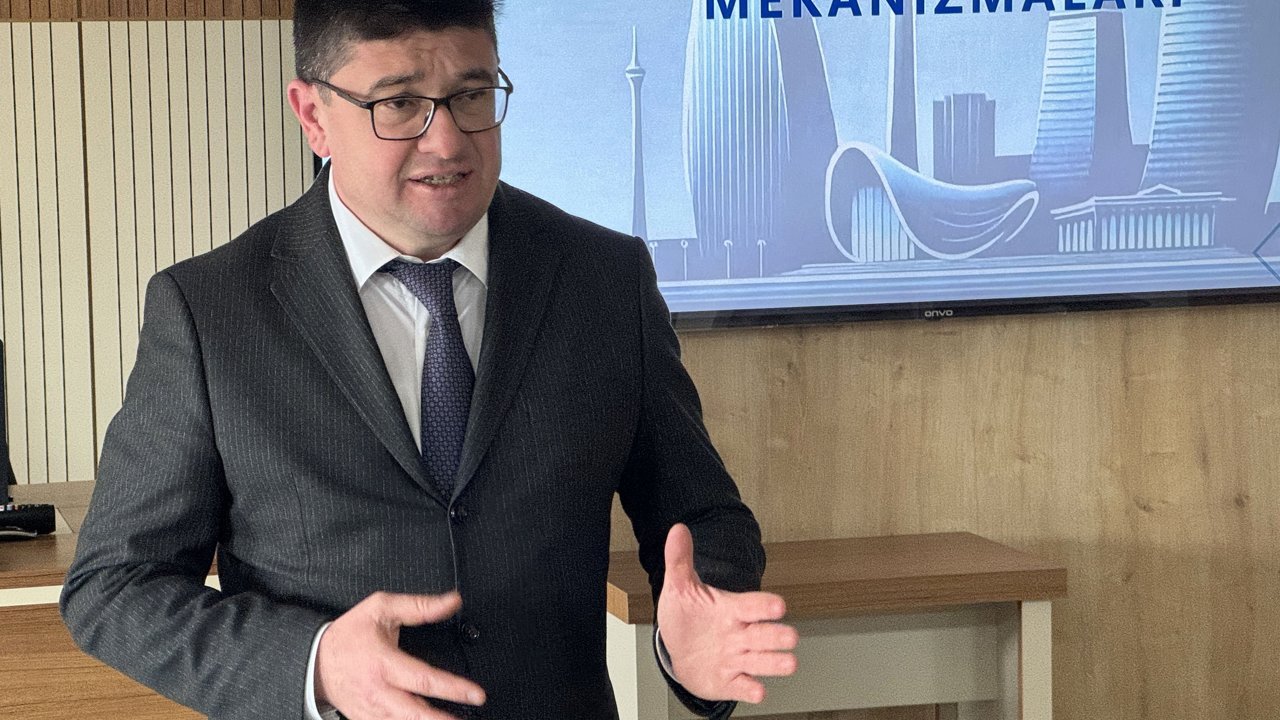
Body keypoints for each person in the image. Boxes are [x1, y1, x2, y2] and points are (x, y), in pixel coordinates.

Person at [60, 2, 797, 718]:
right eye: (399, 103)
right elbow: (114, 586)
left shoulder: (602, 279)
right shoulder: (211, 309)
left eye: (472, 95)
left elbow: (699, 511)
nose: (447, 142)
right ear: (313, 115)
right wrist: (314, 664)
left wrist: (704, 618)